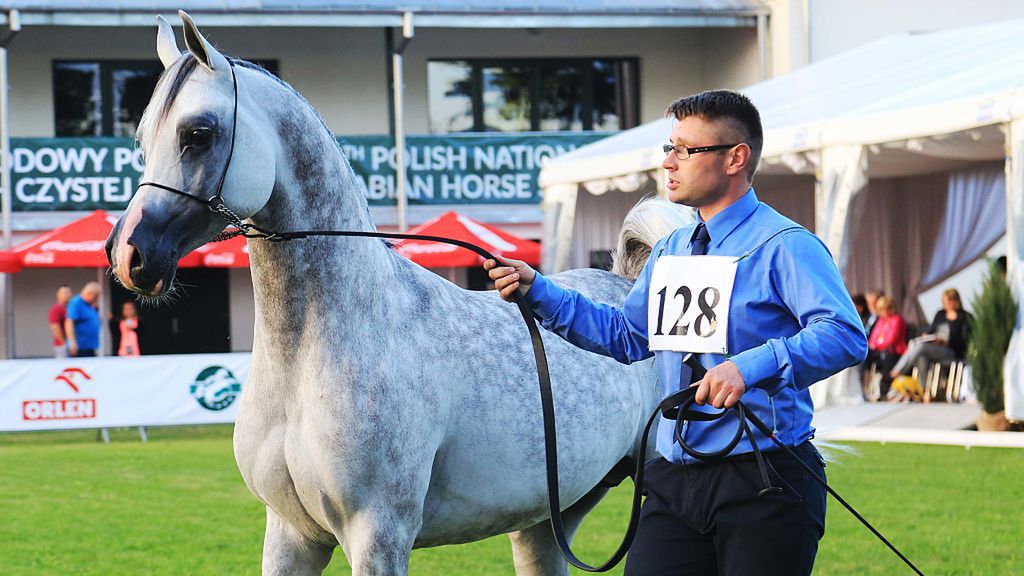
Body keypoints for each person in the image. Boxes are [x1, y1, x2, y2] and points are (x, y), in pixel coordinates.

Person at [484, 90, 867, 576]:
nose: (669, 162)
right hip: (673, 479)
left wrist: (749, 368)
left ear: (735, 158)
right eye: (669, 147)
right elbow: (626, 335)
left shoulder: (786, 245)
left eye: (686, 150)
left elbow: (843, 334)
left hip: (766, 481)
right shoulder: (671, 250)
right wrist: (537, 290)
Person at [889, 288, 972, 385]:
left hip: (951, 350)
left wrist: (946, 341)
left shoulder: (965, 317)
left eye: (948, 302)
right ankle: (925, 392)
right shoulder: (940, 314)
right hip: (934, 347)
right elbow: (931, 329)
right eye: (944, 302)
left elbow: (965, 340)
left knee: (921, 347)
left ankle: (899, 370)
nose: (946, 305)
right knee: (921, 357)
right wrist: (927, 336)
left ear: (955, 301)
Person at [860, 295, 906, 399]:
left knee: (886, 355)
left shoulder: (897, 320)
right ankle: (863, 385)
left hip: (894, 352)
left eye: (887, 307)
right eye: (881, 308)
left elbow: (891, 340)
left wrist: (876, 345)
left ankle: (884, 390)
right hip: (878, 351)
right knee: (864, 356)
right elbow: (872, 338)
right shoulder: (880, 321)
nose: (884, 311)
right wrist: (874, 345)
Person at [65, 282, 102, 357]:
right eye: (95, 297)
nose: (96, 300)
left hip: (90, 346)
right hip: (80, 347)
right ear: (89, 293)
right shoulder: (76, 303)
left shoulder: (89, 304)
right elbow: (69, 322)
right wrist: (72, 342)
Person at [47, 285, 73, 358]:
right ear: (58, 295)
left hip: (72, 344)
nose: (68, 295)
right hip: (62, 345)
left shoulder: (70, 308)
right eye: (65, 293)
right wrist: (64, 344)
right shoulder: (56, 309)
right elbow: (55, 327)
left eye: (69, 292)